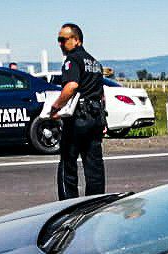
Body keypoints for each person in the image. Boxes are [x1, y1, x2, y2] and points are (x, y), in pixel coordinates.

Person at [50, 22, 106, 200]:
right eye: (58, 40)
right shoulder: (95, 63)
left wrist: (56, 107)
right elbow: (101, 94)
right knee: (94, 164)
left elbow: (71, 86)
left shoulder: (72, 59)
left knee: (68, 162)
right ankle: (95, 203)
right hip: (96, 117)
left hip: (78, 118)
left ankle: (68, 205)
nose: (60, 43)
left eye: (63, 39)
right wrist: (104, 120)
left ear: (76, 40)